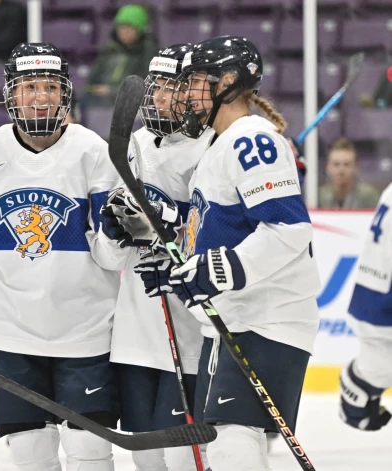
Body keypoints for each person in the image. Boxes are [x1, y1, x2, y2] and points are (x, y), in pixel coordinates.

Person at [125, 36, 320, 471]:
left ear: (228, 83)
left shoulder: (252, 139)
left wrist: (218, 268)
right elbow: (213, 232)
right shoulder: (218, 146)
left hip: (269, 317)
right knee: (228, 442)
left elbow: (288, 229)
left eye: (196, 81)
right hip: (235, 319)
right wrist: (178, 270)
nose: (187, 91)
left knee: (233, 441)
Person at [0, 42, 122, 471]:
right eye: (29, 87)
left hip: (87, 332)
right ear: (10, 95)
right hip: (11, 335)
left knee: (91, 454)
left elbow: (112, 258)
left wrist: (120, 230)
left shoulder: (93, 151)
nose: (40, 96)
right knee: (31, 457)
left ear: (66, 93)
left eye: (50, 87)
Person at [98, 44, 213, 471]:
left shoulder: (212, 147)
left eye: (174, 88)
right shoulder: (135, 144)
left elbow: (215, 238)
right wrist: (114, 232)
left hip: (188, 332)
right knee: (146, 459)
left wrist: (170, 222)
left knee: (184, 458)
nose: (162, 99)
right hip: (134, 333)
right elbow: (107, 258)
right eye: (158, 87)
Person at [339, 183, 392, 432]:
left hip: (375, 293)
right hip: (381, 297)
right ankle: (358, 387)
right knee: (379, 367)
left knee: (380, 366)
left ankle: (359, 389)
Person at [86, 4, 159, 104]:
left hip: (131, 105)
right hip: (100, 104)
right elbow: (91, 80)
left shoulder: (149, 52)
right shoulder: (109, 50)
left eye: (129, 27)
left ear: (140, 29)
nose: (124, 31)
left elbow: (145, 85)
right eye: (121, 26)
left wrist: (112, 91)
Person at [319, 137, 379, 209]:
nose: (341, 170)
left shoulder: (369, 197)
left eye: (347, 164)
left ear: (356, 168)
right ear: (328, 168)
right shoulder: (319, 197)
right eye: (336, 164)